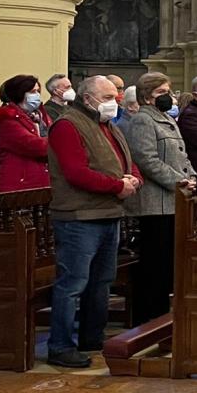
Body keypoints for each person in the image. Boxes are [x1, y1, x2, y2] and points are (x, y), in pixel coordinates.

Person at [45, 76, 140, 368]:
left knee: (101, 282)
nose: (115, 102)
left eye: (116, 96)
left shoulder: (107, 125)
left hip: (108, 213)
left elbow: (127, 161)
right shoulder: (67, 125)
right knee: (73, 283)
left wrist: (134, 179)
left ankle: (92, 337)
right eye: (108, 97)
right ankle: (60, 346)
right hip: (79, 216)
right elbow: (76, 172)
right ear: (87, 98)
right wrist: (117, 186)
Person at [121, 73, 196, 325]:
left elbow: (181, 154)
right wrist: (178, 181)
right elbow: (147, 159)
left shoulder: (167, 118)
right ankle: (148, 320)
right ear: (146, 96)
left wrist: (191, 176)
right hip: (155, 203)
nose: (168, 96)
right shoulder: (143, 120)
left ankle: (162, 317)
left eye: (169, 91)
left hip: (174, 199)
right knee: (155, 264)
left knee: (167, 265)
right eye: (162, 92)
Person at [0, 75, 51, 191]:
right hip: (18, 183)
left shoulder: (38, 117)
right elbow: (34, 146)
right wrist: (62, 143)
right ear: (19, 93)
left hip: (37, 181)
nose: (37, 95)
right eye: (32, 92)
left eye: (38, 91)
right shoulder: (8, 120)